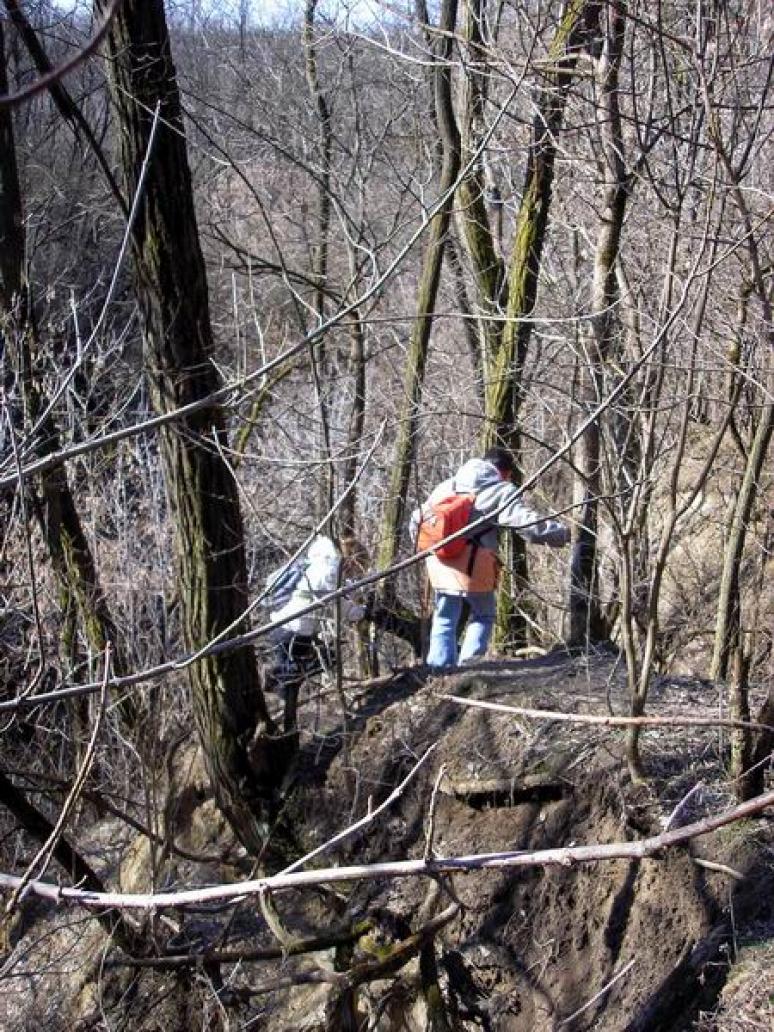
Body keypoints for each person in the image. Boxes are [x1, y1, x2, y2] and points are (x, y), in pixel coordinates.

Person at [410, 447, 570, 668]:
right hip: (474, 562)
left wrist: (425, 549)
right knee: (483, 614)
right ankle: (469, 665)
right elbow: (525, 523)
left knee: (445, 616)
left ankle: (438, 667)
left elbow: (418, 519)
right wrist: (562, 533)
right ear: (504, 472)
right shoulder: (501, 489)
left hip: (440, 560)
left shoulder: (447, 486)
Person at [263, 535, 365, 724]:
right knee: (322, 661)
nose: (355, 574)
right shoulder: (330, 572)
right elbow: (339, 604)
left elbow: (337, 590)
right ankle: (276, 677)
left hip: (285, 626)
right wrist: (360, 612)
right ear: (351, 560)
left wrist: (353, 590)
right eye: (357, 569)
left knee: (292, 684)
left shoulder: (322, 564)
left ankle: (287, 722)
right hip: (294, 630)